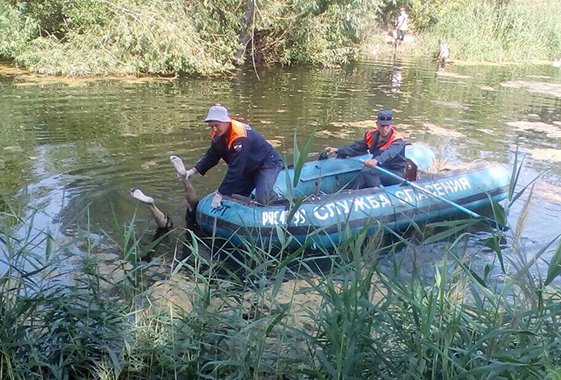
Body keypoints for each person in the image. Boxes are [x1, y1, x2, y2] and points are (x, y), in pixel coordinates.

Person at [173, 104, 282, 209]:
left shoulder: (240, 137)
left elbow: (236, 169)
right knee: (234, 195)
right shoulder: (218, 135)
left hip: (266, 164)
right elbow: (212, 156)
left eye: (217, 125)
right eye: (212, 126)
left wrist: (220, 193)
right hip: (248, 167)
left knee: (263, 199)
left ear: (225, 121)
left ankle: (277, 199)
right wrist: (192, 171)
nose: (214, 129)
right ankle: (250, 204)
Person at [324, 110, 406, 189]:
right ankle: (353, 193)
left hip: (394, 173)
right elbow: (357, 148)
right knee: (363, 173)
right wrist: (337, 150)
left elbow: (388, 154)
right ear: (377, 124)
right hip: (378, 169)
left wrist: (375, 160)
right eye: (382, 126)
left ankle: (377, 191)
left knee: (368, 170)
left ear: (392, 124)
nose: (385, 129)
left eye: (387, 126)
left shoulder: (397, 140)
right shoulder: (371, 135)